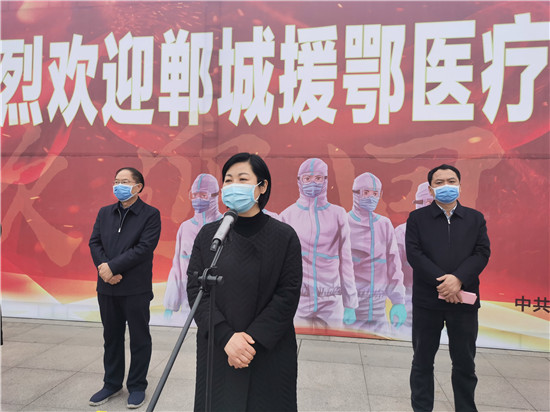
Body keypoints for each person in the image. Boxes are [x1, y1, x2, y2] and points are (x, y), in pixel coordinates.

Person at [187, 152, 302, 411]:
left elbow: (288, 294)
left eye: (242, 179)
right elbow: (196, 289)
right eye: (228, 180)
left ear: (262, 186)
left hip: (267, 349)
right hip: (219, 347)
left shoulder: (284, 236)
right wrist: (226, 337)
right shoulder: (209, 235)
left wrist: (248, 343)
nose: (233, 186)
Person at [406, 164, 490, 412]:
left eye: (451, 181)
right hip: (427, 302)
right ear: (431, 189)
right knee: (422, 361)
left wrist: (458, 279)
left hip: (463, 302)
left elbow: (481, 253)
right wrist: (444, 284)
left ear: (460, 186)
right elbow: (414, 254)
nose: (446, 186)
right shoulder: (417, 218)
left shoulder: (475, 218)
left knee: (465, 363)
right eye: (439, 182)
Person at [89, 167, 161, 409]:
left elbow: (144, 248)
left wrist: (113, 267)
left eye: (125, 181)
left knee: (139, 338)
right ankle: (111, 383)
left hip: (135, 288)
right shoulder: (104, 212)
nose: (119, 185)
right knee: (111, 337)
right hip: (106, 287)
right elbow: (94, 242)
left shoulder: (150, 214)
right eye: (116, 181)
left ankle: (137, 386)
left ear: (138, 187)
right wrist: (105, 270)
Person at [280, 158, 358, 331]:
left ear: (326, 180)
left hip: (331, 300)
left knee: (333, 345)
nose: (312, 183)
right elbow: (279, 264)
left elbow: (346, 260)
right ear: (299, 181)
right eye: (307, 178)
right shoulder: (287, 215)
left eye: (318, 178)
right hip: (298, 300)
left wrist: (350, 303)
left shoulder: (338, 214)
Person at [348, 172, 407, 336]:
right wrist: (346, 303)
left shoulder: (384, 224)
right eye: (365, 192)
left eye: (375, 193)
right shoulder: (344, 223)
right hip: (351, 308)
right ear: (355, 193)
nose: (370, 197)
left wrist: (398, 302)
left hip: (378, 308)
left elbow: (393, 264)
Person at [164, 173, 222, 320]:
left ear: (216, 195)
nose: (198, 199)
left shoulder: (226, 226)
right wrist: (170, 305)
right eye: (194, 195)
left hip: (220, 305)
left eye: (203, 195)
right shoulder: (186, 228)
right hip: (188, 306)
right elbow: (177, 267)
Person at [394, 182, 433, 336]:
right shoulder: (402, 232)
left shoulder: (449, 231)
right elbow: (394, 269)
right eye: (426, 201)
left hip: (438, 300)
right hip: (409, 300)